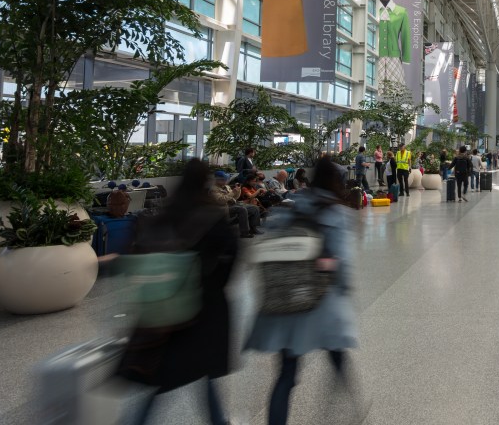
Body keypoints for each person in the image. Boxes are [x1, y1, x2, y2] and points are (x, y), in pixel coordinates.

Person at [118, 159, 239, 425]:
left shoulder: (166, 212)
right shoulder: (211, 214)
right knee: (204, 371)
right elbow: (233, 253)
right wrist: (216, 284)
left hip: (164, 307)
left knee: (161, 378)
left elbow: (139, 252)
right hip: (202, 304)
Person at [245, 158, 361, 425]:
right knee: (336, 351)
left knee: (286, 374)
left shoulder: (291, 205)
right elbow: (340, 261)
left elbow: (268, 246)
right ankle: (349, 408)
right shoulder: (336, 213)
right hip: (320, 300)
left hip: (285, 300)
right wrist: (335, 280)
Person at [212, 170, 260, 238]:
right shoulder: (213, 189)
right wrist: (232, 192)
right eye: (223, 180)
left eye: (225, 179)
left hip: (233, 204)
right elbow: (221, 201)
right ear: (217, 180)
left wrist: (238, 190)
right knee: (242, 209)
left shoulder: (226, 187)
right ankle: (245, 232)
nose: (225, 181)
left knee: (254, 208)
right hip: (224, 208)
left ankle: (253, 228)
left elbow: (235, 197)